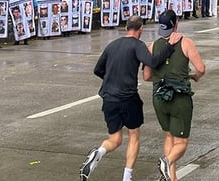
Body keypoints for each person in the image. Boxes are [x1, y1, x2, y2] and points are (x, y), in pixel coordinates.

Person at [79, 16, 183, 181]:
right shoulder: (137, 45)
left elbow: (98, 69)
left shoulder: (112, 45)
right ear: (140, 28)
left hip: (109, 97)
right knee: (134, 136)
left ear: (127, 27)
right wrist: (170, 46)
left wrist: (111, 80)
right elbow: (153, 62)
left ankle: (99, 152)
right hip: (128, 97)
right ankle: (127, 177)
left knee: (115, 139)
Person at [142, 10, 205, 181]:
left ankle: (171, 177)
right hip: (179, 98)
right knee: (182, 142)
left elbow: (146, 76)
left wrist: (161, 78)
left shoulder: (152, 46)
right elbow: (200, 68)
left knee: (169, 135)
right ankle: (166, 161)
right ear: (176, 24)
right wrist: (193, 77)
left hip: (159, 97)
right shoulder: (186, 43)